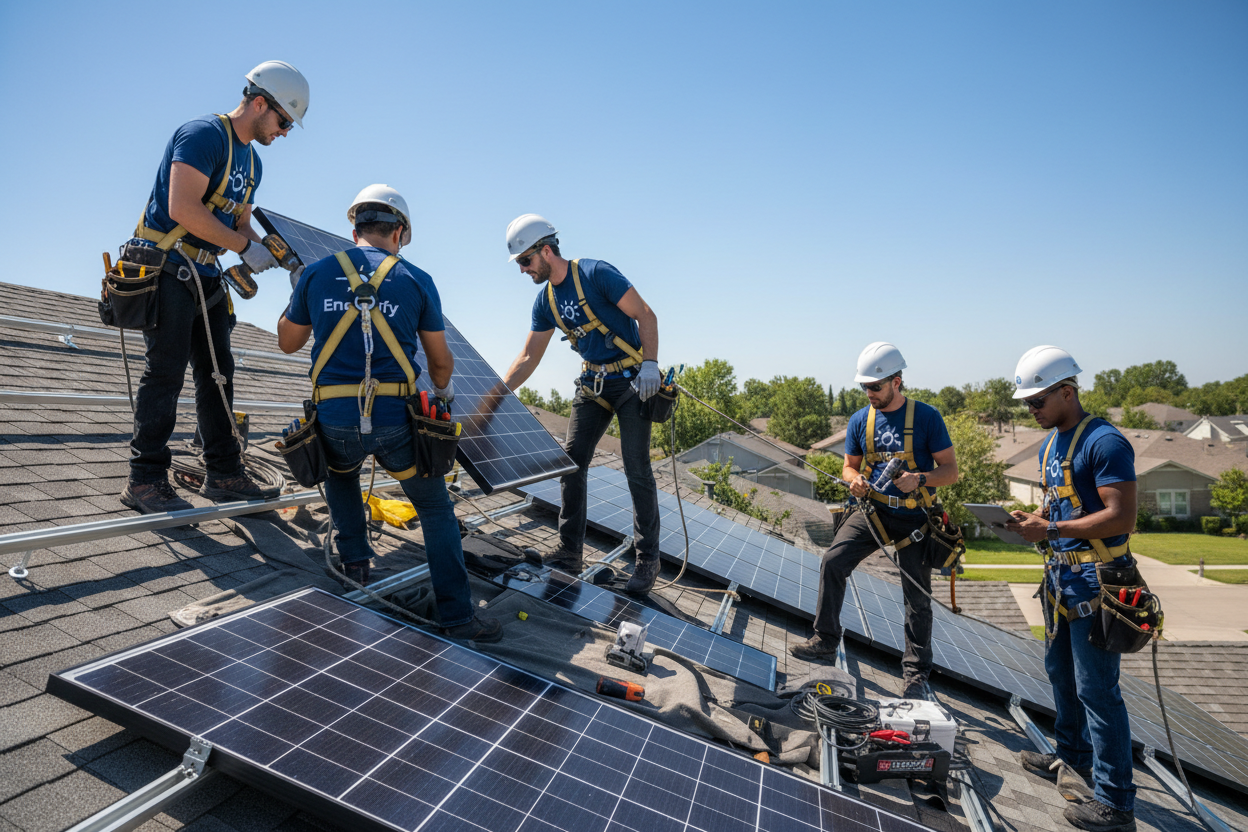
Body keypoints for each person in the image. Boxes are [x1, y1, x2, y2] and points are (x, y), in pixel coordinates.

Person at [277, 185, 501, 642]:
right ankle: (458, 617)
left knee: (341, 474)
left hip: (334, 417)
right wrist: (443, 389)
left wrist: (301, 290)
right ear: (399, 231)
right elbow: (440, 363)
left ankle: (356, 567)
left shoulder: (317, 274)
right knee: (435, 507)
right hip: (396, 419)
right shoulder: (416, 278)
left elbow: (288, 340)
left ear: (353, 227)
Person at [122, 61, 309, 514]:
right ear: (259, 103)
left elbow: (239, 221)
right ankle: (144, 480)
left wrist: (279, 255)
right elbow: (183, 207)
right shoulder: (203, 135)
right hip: (168, 267)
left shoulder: (252, 161)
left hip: (204, 274)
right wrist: (246, 247)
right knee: (165, 373)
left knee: (218, 374)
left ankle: (224, 473)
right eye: (284, 120)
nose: (285, 132)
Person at [1005, 346, 1136, 832]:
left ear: (1067, 391)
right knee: (1060, 674)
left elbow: (1121, 515)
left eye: (1038, 401)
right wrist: (1036, 522)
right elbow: (1063, 512)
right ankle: (1071, 756)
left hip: (1098, 584)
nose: (1032, 411)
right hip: (1061, 580)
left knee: (1098, 691)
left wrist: (1053, 532)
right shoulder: (1050, 446)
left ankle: (1117, 803)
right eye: (1027, 404)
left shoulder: (1105, 442)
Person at [499, 214, 664, 593]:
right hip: (593, 384)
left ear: (545, 250)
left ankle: (647, 561)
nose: (523, 270)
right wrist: (496, 395)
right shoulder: (546, 302)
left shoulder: (595, 274)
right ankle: (570, 551)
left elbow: (646, 315)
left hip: (631, 382)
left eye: (525, 261)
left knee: (636, 468)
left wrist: (651, 364)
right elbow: (528, 357)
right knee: (571, 463)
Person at [790, 342, 959, 700]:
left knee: (917, 597)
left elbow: (951, 471)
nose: (870, 393)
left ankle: (915, 673)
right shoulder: (859, 420)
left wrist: (921, 479)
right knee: (833, 562)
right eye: (865, 387)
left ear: (897, 382)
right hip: (873, 511)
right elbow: (848, 464)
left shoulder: (927, 418)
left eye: (876, 387)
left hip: (914, 517)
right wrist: (854, 479)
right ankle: (825, 638)